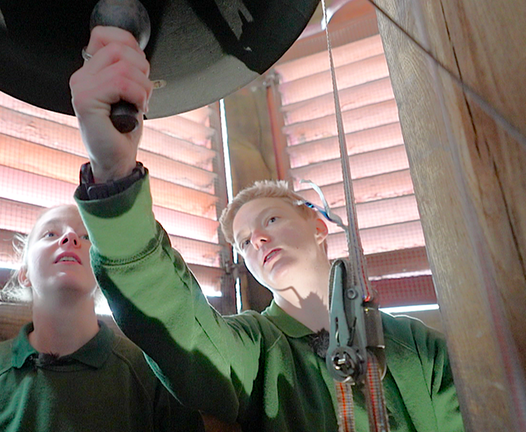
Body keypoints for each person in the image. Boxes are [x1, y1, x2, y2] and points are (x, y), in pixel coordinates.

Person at [70, 26, 464, 431]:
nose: (256, 240)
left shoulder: (419, 350)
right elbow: (176, 323)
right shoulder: (252, 351)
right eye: (243, 242)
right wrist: (114, 174)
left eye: (271, 220)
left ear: (317, 225)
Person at [0, 204, 206, 432]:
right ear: (24, 272)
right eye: (50, 233)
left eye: (87, 237)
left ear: (103, 272)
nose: (70, 238)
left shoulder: (149, 375)